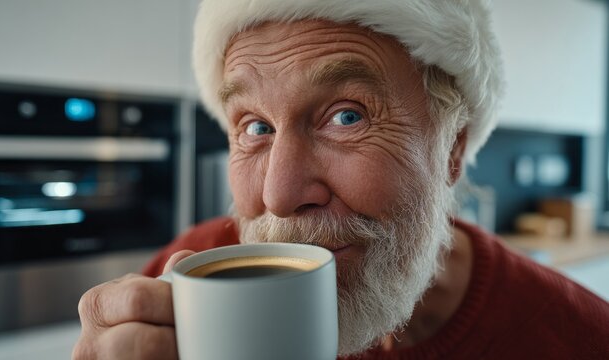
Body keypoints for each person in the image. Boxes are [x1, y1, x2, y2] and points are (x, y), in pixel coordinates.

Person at [73, 0, 609, 359]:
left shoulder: (577, 338)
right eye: (255, 127)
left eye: (346, 116)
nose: (278, 197)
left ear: (452, 149)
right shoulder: (191, 273)